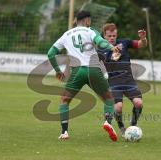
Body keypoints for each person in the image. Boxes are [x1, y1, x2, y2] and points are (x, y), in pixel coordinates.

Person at [47, 11, 120, 141]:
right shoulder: (90, 31)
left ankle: (64, 132)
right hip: (93, 70)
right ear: (87, 21)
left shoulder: (66, 35)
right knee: (109, 98)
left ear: (76, 20)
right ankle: (108, 123)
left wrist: (58, 70)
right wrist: (111, 47)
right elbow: (101, 42)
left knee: (65, 100)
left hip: (77, 71)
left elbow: (51, 53)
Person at [98, 23, 147, 137]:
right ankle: (121, 127)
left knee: (138, 103)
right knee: (118, 107)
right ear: (104, 36)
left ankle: (133, 125)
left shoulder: (124, 43)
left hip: (128, 80)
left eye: (114, 35)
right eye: (109, 36)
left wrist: (143, 38)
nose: (112, 38)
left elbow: (141, 44)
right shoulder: (100, 49)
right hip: (114, 82)